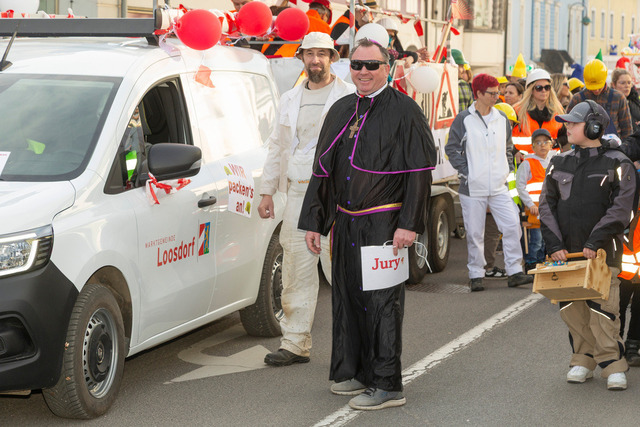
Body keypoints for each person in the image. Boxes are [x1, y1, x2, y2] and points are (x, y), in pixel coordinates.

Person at [298, 38, 436, 410]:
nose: (363, 71)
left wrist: (409, 224)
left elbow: (420, 172)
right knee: (348, 298)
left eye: (372, 65)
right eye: (357, 64)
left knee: (382, 304)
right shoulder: (341, 108)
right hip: (346, 223)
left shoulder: (405, 110)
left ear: (387, 68)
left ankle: (387, 384)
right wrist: (315, 221)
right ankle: (357, 372)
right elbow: (323, 172)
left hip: (385, 224)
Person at [258, 32, 355, 367]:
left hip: (337, 195)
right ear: (301, 57)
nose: (315, 60)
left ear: (332, 57)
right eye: (310, 54)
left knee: (342, 271)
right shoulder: (289, 98)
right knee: (296, 272)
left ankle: (353, 347)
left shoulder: (350, 96)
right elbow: (277, 146)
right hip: (298, 193)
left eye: (322, 54)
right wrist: (267, 191)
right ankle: (295, 343)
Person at [539, 100, 636, 390]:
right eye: (566, 122)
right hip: (565, 253)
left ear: (594, 127)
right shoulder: (558, 161)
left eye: (574, 122)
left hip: (603, 251)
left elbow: (622, 210)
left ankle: (612, 365)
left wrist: (595, 241)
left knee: (603, 309)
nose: (567, 127)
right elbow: (546, 206)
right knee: (572, 308)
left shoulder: (618, 162)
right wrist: (554, 244)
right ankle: (582, 359)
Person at [445, 74, 533, 291]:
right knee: (475, 233)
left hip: (498, 186)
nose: (497, 97)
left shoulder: (501, 118)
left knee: (512, 225)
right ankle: (476, 274)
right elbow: (452, 148)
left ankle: (514, 271)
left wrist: (507, 170)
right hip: (472, 188)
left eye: (497, 93)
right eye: (492, 93)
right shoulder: (464, 119)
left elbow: (508, 148)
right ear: (478, 94)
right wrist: (467, 173)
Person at [516, 128, 554, 272]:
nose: (542, 145)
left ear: (551, 144)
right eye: (538, 142)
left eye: (545, 142)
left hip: (550, 208)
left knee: (547, 239)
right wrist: (530, 204)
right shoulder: (528, 163)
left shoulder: (554, 162)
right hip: (535, 209)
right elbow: (520, 186)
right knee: (536, 239)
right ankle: (532, 263)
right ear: (532, 147)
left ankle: (542, 262)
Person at [567, 59, 633, 140]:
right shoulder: (578, 99)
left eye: (599, 86)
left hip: (613, 146)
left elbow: (627, 129)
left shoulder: (618, 98)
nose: (596, 90)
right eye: (593, 87)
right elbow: (569, 126)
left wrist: (625, 146)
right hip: (584, 146)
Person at [513, 68, 565, 146]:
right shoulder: (517, 110)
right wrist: (515, 151)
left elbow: (565, 136)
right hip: (524, 153)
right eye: (539, 88)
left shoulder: (558, 110)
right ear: (531, 90)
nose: (544, 90)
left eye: (547, 87)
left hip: (552, 153)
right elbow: (508, 138)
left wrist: (555, 142)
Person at [611, 68, 640, 132]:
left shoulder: (635, 100)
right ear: (614, 85)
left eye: (629, 83)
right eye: (622, 83)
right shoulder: (609, 102)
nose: (627, 86)